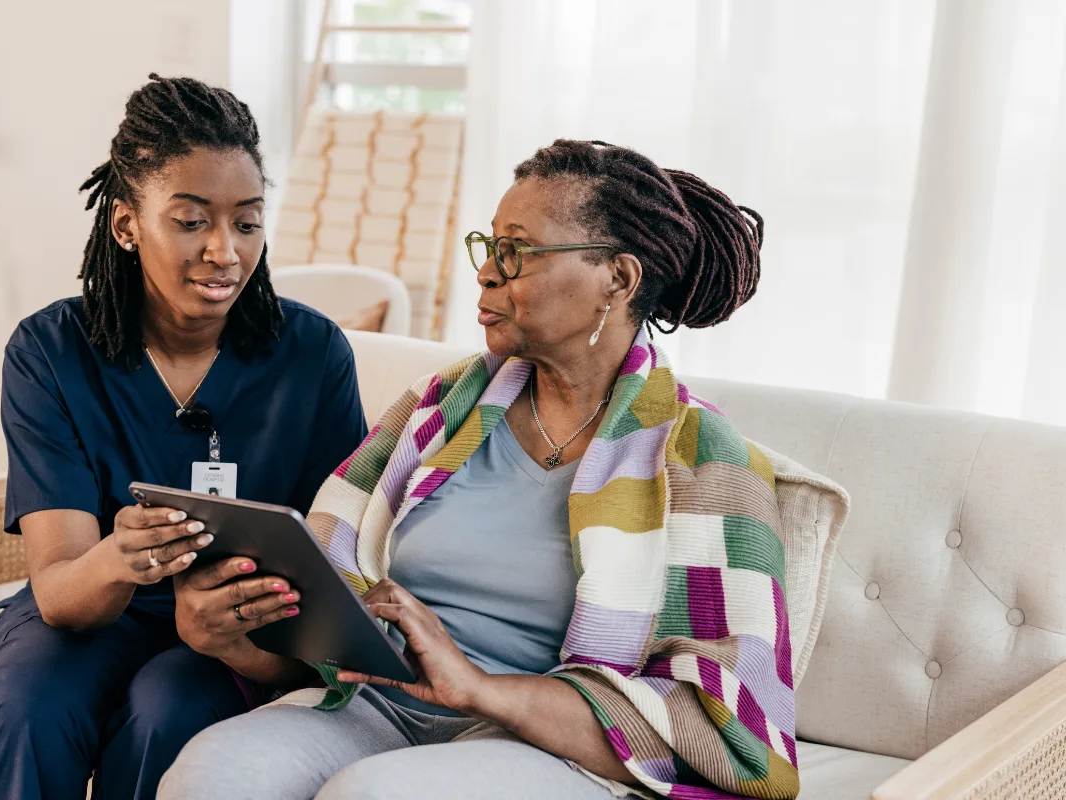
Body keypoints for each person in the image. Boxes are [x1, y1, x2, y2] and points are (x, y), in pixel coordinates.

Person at [159, 140, 799, 799]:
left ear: (619, 278)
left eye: (517, 251)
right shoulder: (441, 406)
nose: (488, 272)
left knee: (373, 795)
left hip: (552, 743)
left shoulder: (699, 453)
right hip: (385, 702)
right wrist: (235, 640)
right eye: (487, 246)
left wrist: (481, 689)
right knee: (212, 771)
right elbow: (336, 613)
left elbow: (722, 725)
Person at [0, 75, 367, 800]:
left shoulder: (313, 355)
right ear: (126, 225)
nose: (224, 251)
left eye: (246, 223)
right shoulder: (49, 352)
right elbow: (60, 592)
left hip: (229, 628)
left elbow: (341, 565)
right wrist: (122, 558)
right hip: (94, 606)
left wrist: (243, 632)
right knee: (31, 705)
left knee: (168, 710)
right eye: (191, 221)